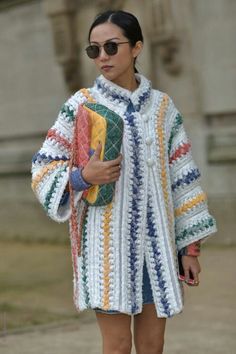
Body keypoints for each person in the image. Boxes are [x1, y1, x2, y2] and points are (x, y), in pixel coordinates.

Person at [31, 9, 217, 354]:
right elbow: (43, 166)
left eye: (112, 47)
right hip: (106, 250)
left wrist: (190, 248)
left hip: (157, 248)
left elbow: (184, 178)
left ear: (137, 48)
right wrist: (83, 176)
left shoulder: (163, 109)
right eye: (94, 50)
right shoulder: (81, 106)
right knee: (116, 346)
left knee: (152, 345)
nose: (102, 57)